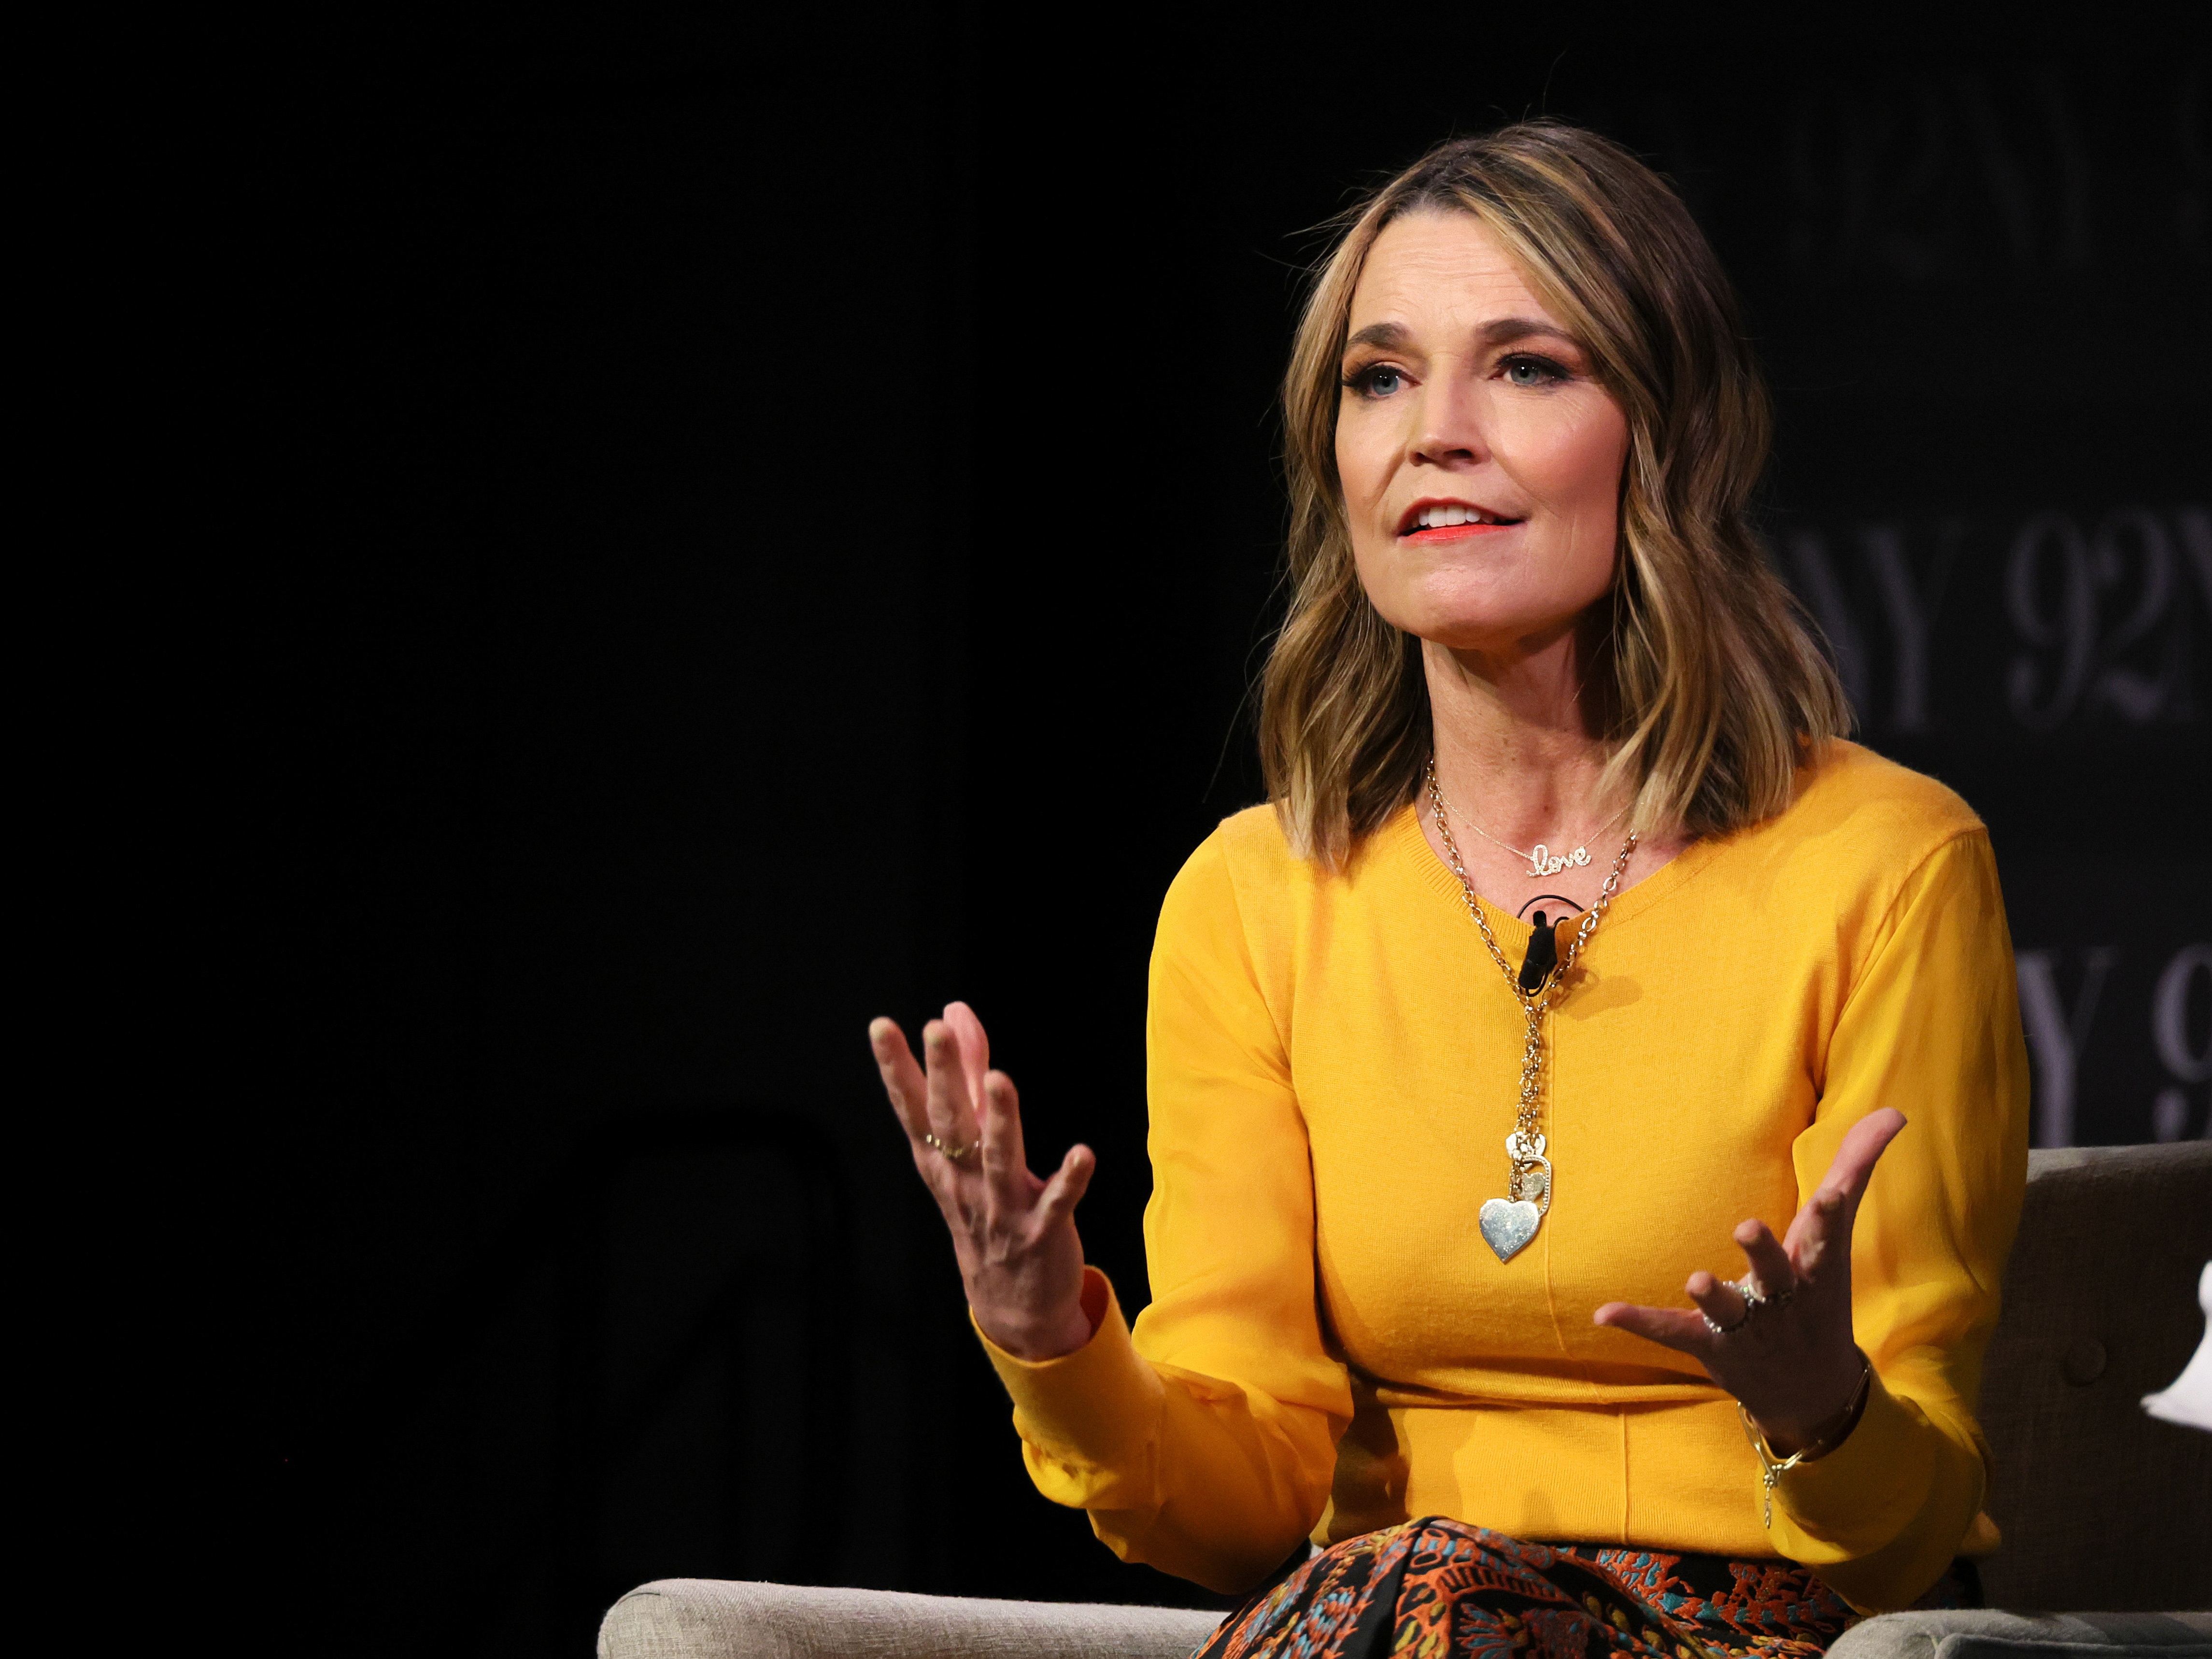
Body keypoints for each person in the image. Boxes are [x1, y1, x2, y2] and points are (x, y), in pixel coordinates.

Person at [869, 122, 2028, 1657]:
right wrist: (1050, 1342)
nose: (1434, 433)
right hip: (1382, 1613)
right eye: (1380, 378)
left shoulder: (1882, 864)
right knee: (1414, 1598)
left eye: (1526, 367)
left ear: (1664, 431)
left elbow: (1907, 1529)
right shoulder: (1252, 900)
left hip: (1769, 1619)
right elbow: (1239, 1507)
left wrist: (1821, 1405)